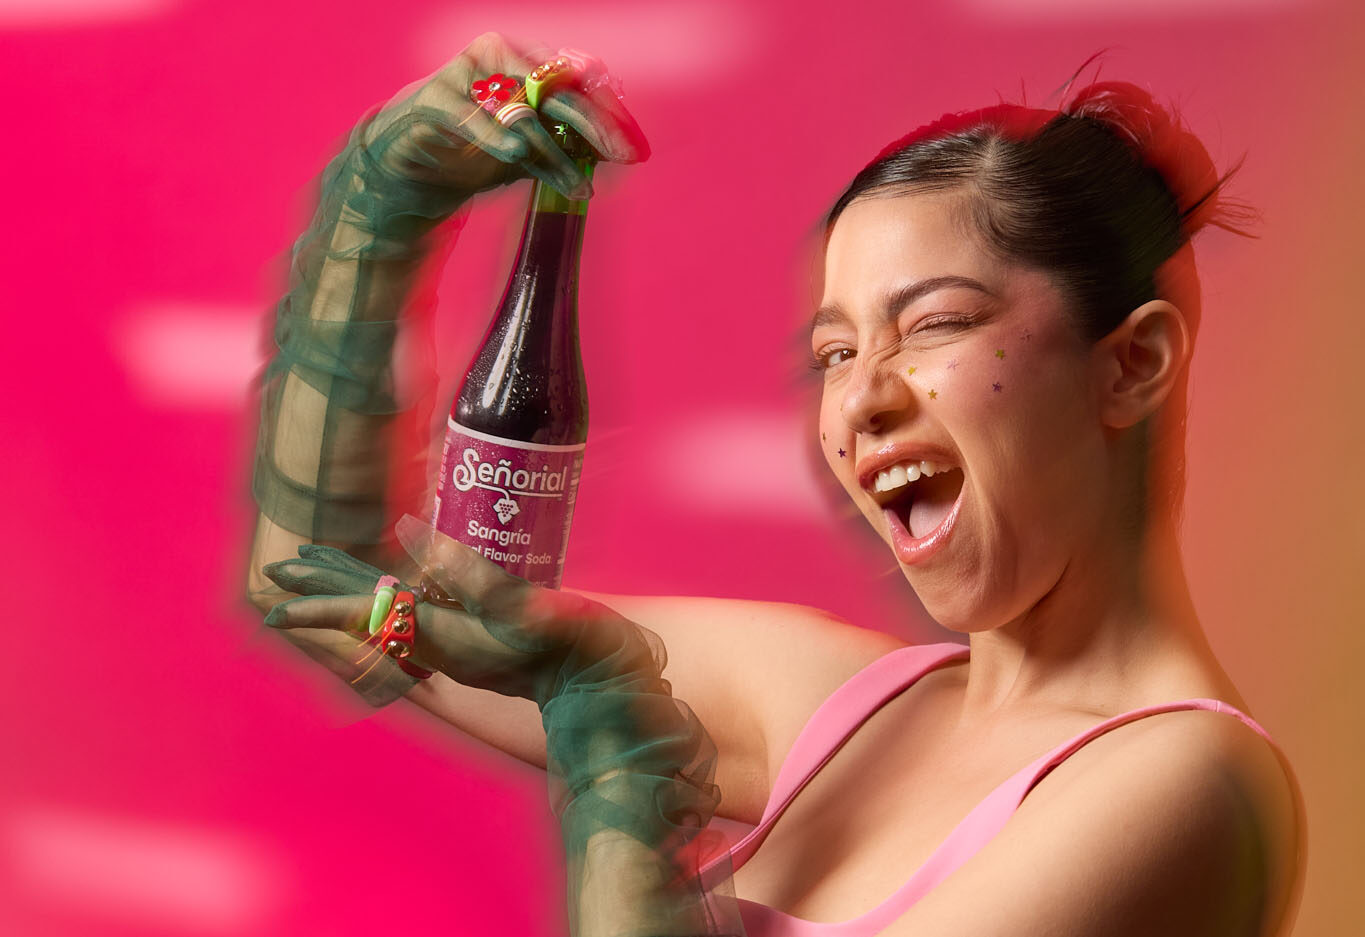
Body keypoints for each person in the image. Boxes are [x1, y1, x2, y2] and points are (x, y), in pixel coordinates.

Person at [246, 32, 1305, 937]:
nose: (859, 403)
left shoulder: (1190, 788)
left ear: (1133, 364)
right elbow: (324, 585)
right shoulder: (838, 706)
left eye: (934, 323)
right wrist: (378, 210)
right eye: (834, 353)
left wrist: (613, 742)